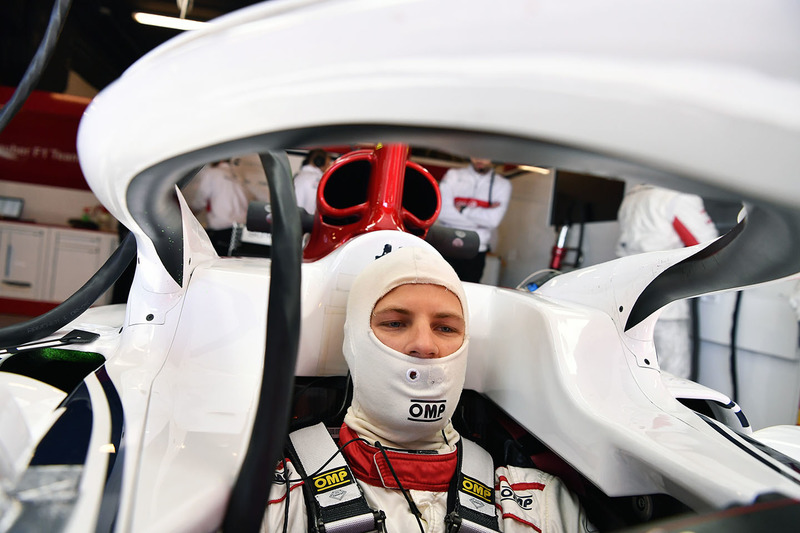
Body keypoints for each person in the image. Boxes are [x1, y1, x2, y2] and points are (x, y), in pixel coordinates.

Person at [262, 246, 592, 532]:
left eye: (445, 327)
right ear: (354, 342)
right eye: (395, 322)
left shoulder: (544, 506)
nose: (424, 345)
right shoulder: (272, 498)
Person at [616, 183, 719, 378]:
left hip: (628, 301)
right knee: (673, 378)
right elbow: (710, 247)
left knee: (632, 374)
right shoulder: (678, 198)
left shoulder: (633, 196)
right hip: (666, 307)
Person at [436, 158, 512, 283]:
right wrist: (481, 221)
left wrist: (463, 210)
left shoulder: (502, 185)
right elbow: (443, 213)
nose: (479, 158)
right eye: (475, 153)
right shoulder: (453, 175)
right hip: (446, 246)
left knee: (469, 296)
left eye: (485, 154)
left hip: (476, 251)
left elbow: (493, 221)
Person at [186, 159, 251, 256]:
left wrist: (187, 214)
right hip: (241, 230)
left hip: (221, 229)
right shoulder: (237, 177)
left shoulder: (212, 173)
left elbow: (200, 200)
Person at [294, 149, 332, 215]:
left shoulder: (297, 176)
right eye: (328, 163)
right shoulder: (318, 179)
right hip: (307, 222)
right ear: (319, 162)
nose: (328, 166)